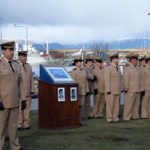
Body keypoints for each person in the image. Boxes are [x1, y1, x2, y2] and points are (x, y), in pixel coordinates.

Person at [0, 41, 26, 150]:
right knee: (0, 127)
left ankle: (15, 146)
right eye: (9, 50)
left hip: (14, 101)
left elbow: (20, 83)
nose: (12, 52)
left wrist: (23, 99)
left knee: (13, 126)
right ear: (3, 51)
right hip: (3, 102)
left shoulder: (16, 64)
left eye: (12, 50)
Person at [123, 53, 143, 121]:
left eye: (136, 60)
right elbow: (126, 79)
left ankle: (135, 116)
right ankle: (126, 117)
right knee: (129, 104)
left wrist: (141, 88)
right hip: (130, 89)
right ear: (131, 60)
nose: (136, 61)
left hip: (137, 88)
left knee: (136, 104)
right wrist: (126, 88)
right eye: (135, 60)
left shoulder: (137, 68)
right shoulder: (127, 68)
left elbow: (140, 79)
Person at [17, 51, 34, 130]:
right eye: (23, 56)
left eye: (26, 56)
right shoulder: (16, 65)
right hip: (19, 92)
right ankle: (19, 124)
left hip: (28, 92)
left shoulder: (29, 66)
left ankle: (26, 124)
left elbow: (31, 79)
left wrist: (32, 89)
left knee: (27, 109)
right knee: (20, 109)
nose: (25, 58)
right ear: (19, 57)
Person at [104, 53, 122, 123]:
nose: (118, 60)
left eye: (118, 58)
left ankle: (115, 117)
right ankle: (109, 118)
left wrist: (121, 88)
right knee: (109, 105)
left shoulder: (118, 67)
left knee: (116, 105)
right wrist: (108, 90)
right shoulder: (108, 68)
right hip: (110, 90)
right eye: (117, 59)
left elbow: (120, 79)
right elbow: (107, 79)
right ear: (113, 59)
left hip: (117, 89)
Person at [70, 57, 89, 125]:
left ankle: (80, 120)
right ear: (76, 63)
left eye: (81, 62)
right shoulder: (73, 72)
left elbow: (85, 81)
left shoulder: (83, 71)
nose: (81, 63)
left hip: (83, 91)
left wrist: (87, 90)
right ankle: (75, 120)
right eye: (79, 62)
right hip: (76, 91)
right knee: (76, 106)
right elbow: (72, 82)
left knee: (81, 106)